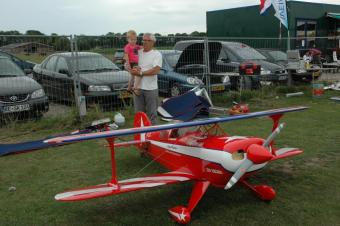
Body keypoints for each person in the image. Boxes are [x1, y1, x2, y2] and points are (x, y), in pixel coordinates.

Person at [130, 33, 162, 125]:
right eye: (143, 40)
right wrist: (129, 68)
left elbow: (156, 70)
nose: (145, 42)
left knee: (152, 114)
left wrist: (141, 73)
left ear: (153, 42)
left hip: (151, 88)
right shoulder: (138, 52)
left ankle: (154, 134)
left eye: (148, 40)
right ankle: (141, 134)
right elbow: (130, 64)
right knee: (139, 114)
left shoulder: (157, 54)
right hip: (138, 88)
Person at [124, 30, 142, 95]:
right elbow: (126, 56)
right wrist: (128, 63)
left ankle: (129, 88)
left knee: (132, 76)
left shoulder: (137, 46)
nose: (133, 41)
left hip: (136, 63)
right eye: (131, 40)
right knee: (139, 74)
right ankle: (135, 88)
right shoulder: (127, 47)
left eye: (135, 39)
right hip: (131, 63)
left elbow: (142, 48)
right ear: (128, 39)